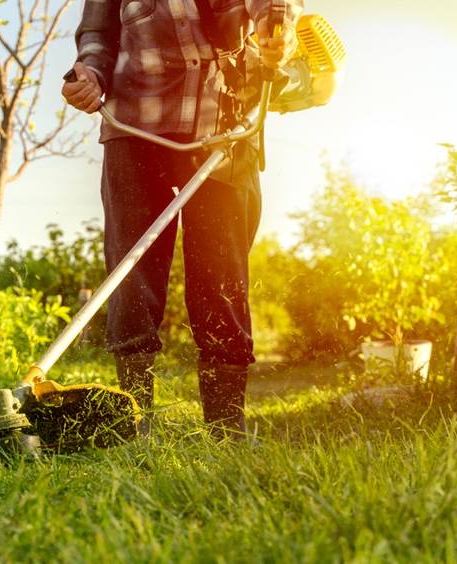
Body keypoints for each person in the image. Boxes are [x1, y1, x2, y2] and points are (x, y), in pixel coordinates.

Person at [62, 0, 303, 438]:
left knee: (221, 277)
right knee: (131, 273)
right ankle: (133, 423)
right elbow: (96, 37)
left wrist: (277, 32)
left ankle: (226, 427)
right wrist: (89, 77)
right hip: (135, 126)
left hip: (225, 127)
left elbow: (272, 8)